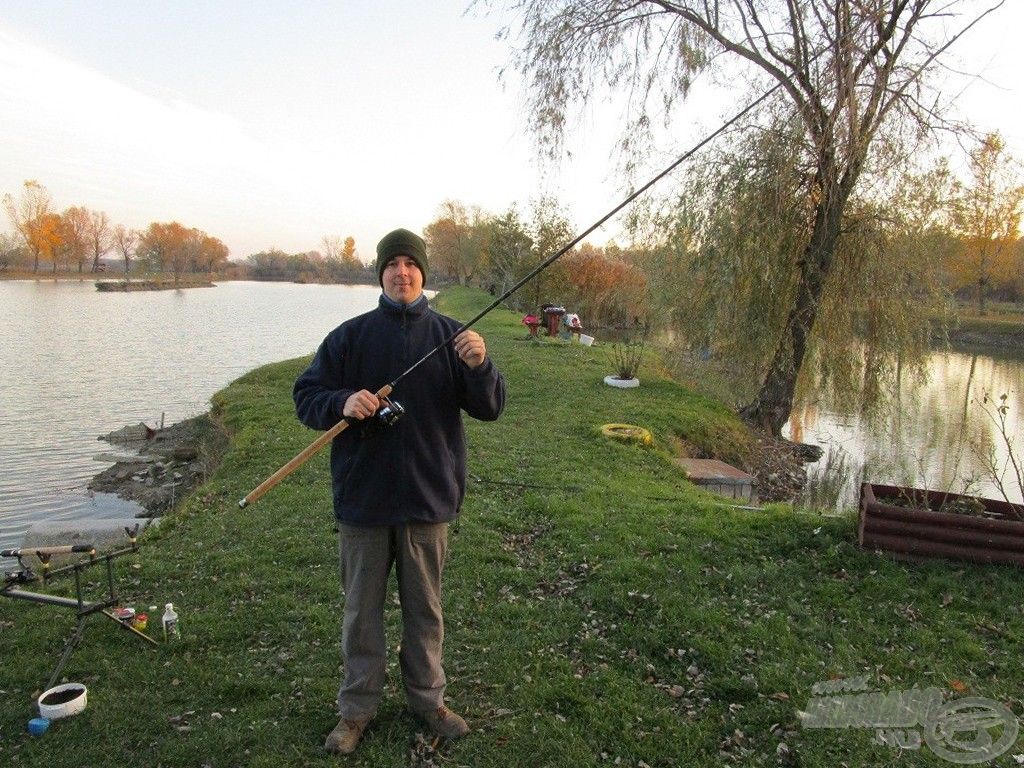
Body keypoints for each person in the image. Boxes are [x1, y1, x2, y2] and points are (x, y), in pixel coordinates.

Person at [293, 228, 506, 755]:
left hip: (428, 503)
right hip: (363, 504)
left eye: (411, 264)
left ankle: (428, 701)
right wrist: (342, 402)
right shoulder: (350, 336)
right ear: (381, 274)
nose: (402, 273)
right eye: (393, 265)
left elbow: (492, 406)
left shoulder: (457, 337)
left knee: (425, 611)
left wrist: (481, 367)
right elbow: (307, 395)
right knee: (360, 614)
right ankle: (356, 710)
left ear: (423, 274)